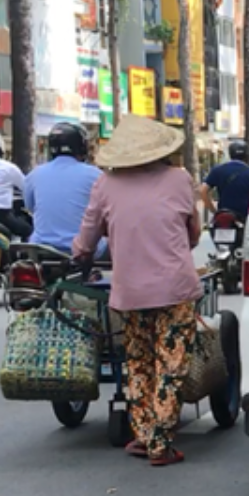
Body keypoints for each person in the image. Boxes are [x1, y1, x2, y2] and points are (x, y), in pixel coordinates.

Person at [74, 115, 202, 467]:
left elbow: (86, 239)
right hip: (175, 290)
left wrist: (79, 252)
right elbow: (193, 234)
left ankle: (146, 434)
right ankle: (160, 443)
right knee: (171, 365)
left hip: (130, 292)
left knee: (139, 363)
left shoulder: (105, 184)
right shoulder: (180, 179)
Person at [26, 123, 103, 255]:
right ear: (81, 147)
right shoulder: (95, 175)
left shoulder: (34, 174)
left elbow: (30, 207)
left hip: (40, 249)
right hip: (83, 252)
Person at [200, 140, 249, 220]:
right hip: (244, 217)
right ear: (247, 156)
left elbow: (203, 191)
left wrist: (213, 210)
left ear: (230, 154)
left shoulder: (218, 170)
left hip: (223, 216)